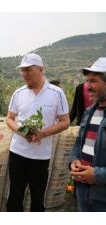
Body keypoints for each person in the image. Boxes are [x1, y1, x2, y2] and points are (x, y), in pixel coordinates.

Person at [6, 53, 70, 212]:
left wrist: (43, 133)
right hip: (17, 153)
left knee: (37, 197)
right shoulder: (19, 93)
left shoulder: (56, 93)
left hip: (40, 156)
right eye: (22, 70)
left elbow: (65, 121)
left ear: (41, 69)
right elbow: (9, 119)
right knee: (15, 194)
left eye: (28, 69)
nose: (24, 74)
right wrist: (21, 131)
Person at [69, 57, 106, 212]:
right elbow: (79, 144)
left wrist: (97, 175)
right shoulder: (89, 112)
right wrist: (74, 161)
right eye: (87, 81)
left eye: (93, 81)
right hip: (83, 190)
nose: (87, 87)